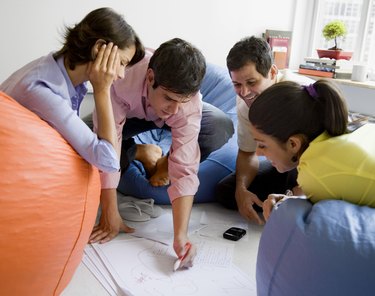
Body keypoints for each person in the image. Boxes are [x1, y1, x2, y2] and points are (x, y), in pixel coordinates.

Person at [88, 38, 234, 268]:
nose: (174, 109)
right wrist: (110, 212)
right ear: (150, 78)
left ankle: (164, 160)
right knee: (85, 144)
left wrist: (181, 236)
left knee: (219, 125)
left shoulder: (186, 104)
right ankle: (140, 151)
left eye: (181, 101)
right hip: (127, 115)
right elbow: (107, 143)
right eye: (169, 98)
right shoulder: (122, 77)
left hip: (162, 114)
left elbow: (185, 170)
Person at [0, 7, 144, 172]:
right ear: (99, 48)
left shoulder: (56, 69)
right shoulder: (42, 89)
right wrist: (102, 90)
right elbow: (109, 162)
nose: (121, 74)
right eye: (122, 63)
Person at [215, 36, 312, 224]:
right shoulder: (245, 103)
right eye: (237, 84)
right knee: (226, 191)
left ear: (272, 72)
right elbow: (247, 153)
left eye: (252, 82)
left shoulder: (298, 96)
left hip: (314, 163)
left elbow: (321, 158)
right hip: (287, 163)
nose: (244, 92)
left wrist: (294, 195)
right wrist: (241, 190)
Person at [248, 80, 375, 220]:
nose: (258, 153)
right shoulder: (344, 134)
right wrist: (290, 199)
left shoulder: (316, 171)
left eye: (262, 145)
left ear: (293, 144)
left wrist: (285, 211)